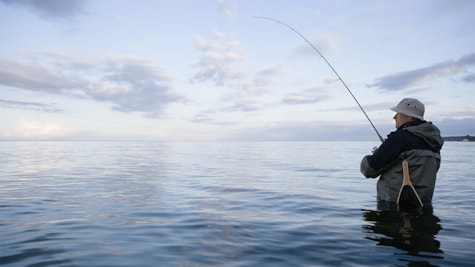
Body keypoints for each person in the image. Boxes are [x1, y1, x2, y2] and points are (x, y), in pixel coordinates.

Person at [360, 98, 444, 205]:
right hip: (423, 205)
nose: (394, 117)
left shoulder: (400, 139)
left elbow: (368, 169)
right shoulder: (433, 143)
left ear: (410, 117)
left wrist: (377, 153)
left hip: (393, 208)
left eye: (398, 113)